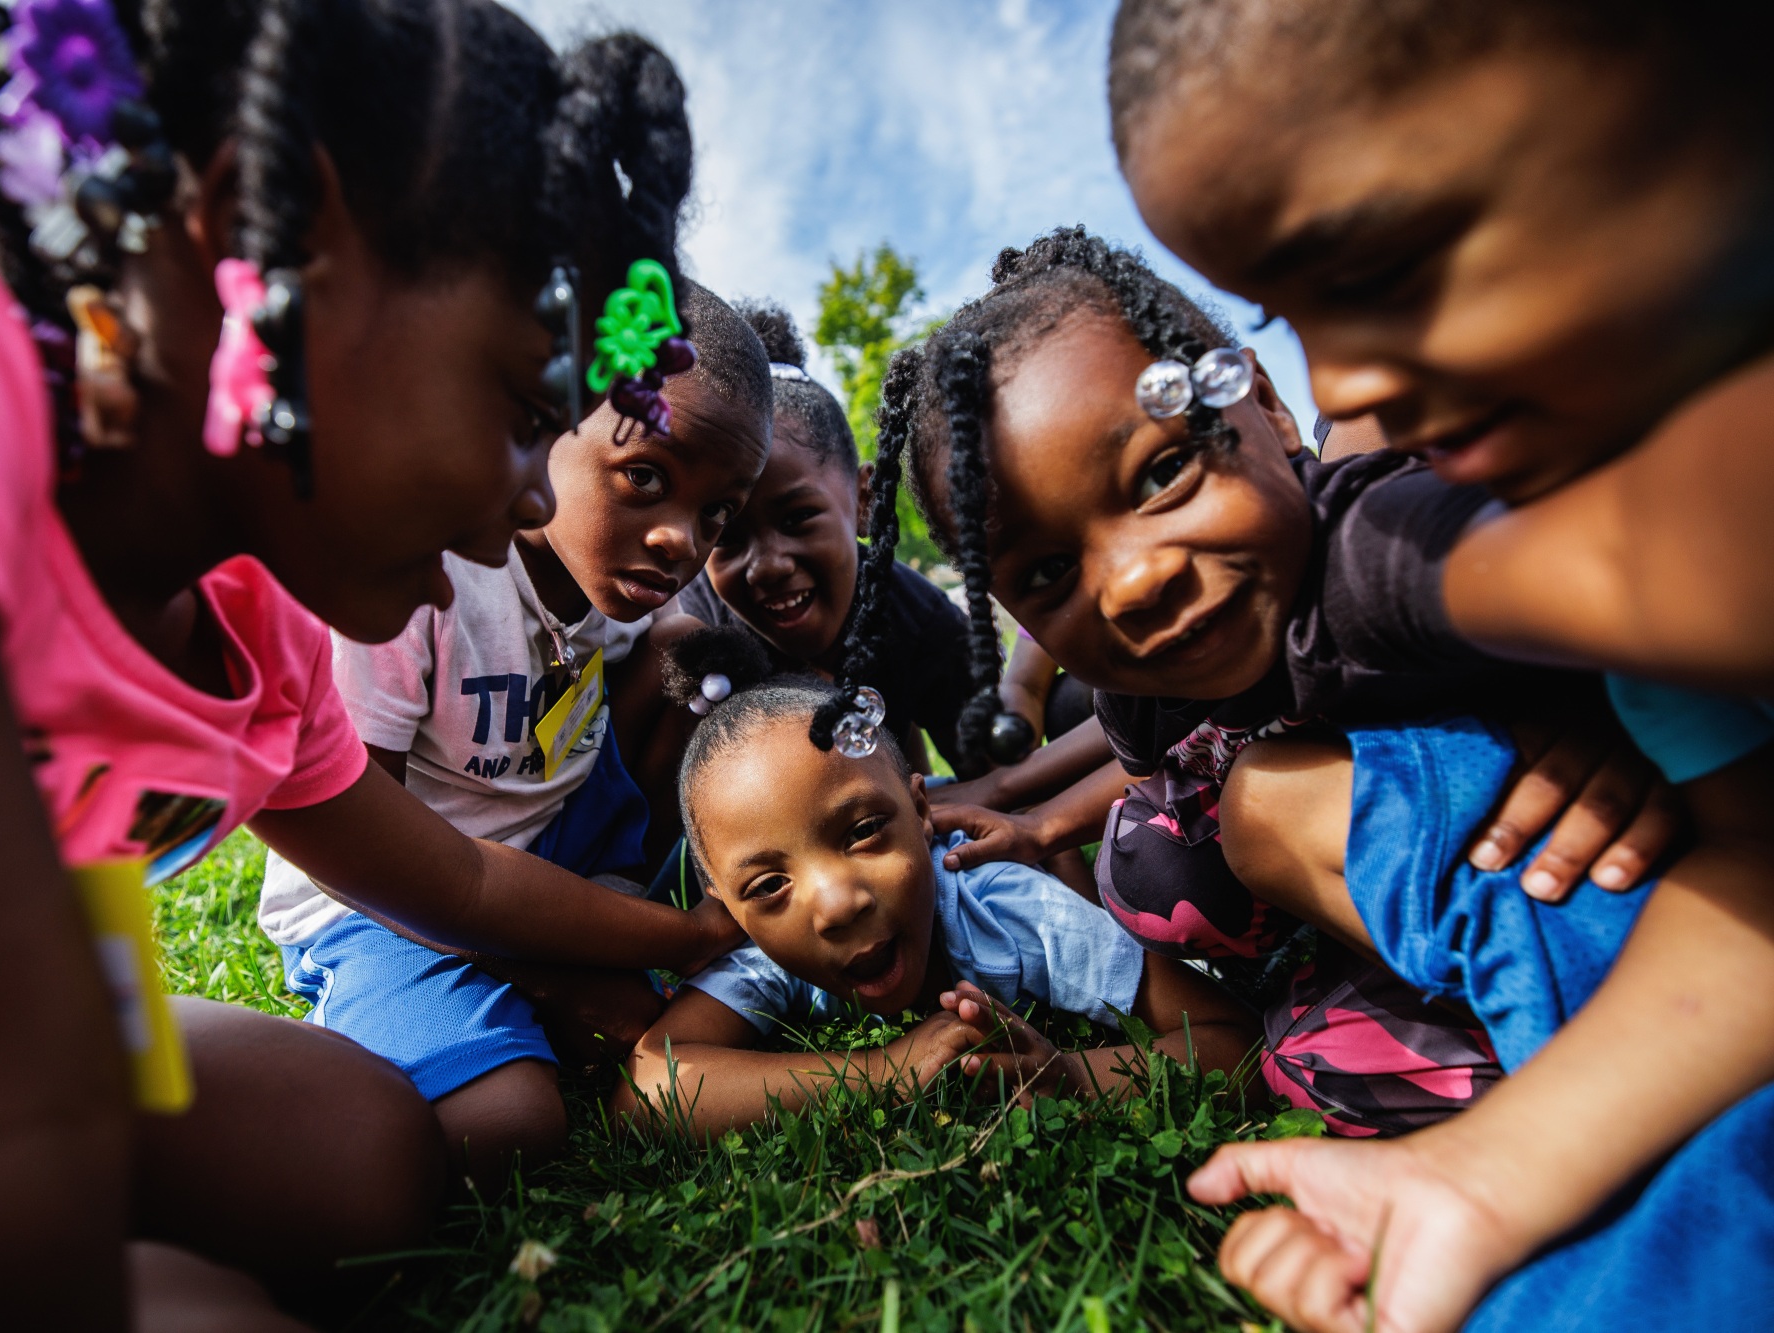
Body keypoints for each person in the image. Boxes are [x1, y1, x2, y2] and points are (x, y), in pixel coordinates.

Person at [0, 1, 739, 1324]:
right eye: (523, 411)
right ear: (264, 235)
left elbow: (451, 874)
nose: (530, 501)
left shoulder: (257, 635)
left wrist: (691, 930)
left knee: (358, 1158)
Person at [1106, 4, 1774, 1329]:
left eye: (1386, 262)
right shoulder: (1590, 498)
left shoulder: (1477, 542)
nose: (1347, 375)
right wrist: (1479, 1179)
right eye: (1286, 314)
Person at [875, 229, 1678, 1136]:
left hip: (1618, 860)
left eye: (1165, 472)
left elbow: (1649, 567)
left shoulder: (1384, 555)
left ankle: (1611, 1062)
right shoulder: (1138, 680)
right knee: (1257, 994)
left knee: (1254, 808)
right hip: (1417, 854)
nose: (1133, 579)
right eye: (1052, 569)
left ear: (1264, 403)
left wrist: (1623, 702)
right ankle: (1430, 987)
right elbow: (1156, 771)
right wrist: (1039, 824)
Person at [257, 280, 771, 1154]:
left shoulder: (620, 573)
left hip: (547, 842)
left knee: (691, 673)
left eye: (716, 511)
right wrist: (573, 961)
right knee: (509, 1124)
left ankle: (599, 907)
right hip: (387, 897)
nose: (682, 539)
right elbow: (370, 862)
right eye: (645, 476)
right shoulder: (418, 578)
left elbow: (667, 655)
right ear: (545, 420)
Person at [612, 630, 1259, 1135]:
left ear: (921, 813)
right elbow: (648, 1090)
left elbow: (1235, 1040)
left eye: (863, 831)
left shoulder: (1006, 908)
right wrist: (882, 1071)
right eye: (768, 884)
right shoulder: (767, 952)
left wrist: (1071, 1076)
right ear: (725, 905)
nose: (836, 903)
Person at [678, 303, 979, 773]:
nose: (768, 566)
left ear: (865, 500)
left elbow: (1000, 784)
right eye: (727, 535)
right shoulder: (690, 628)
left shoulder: (922, 624)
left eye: (798, 518)